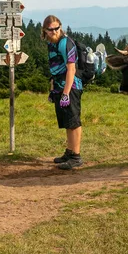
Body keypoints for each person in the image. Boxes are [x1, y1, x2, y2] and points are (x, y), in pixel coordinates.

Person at [41, 15, 84, 170]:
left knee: (73, 121)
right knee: (67, 121)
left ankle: (76, 157)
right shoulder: (52, 43)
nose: (54, 32)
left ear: (60, 26)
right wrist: (54, 88)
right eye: (50, 29)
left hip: (71, 87)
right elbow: (55, 68)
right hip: (60, 86)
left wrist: (66, 93)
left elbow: (71, 68)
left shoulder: (66, 43)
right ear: (45, 30)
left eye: (56, 28)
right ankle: (70, 151)